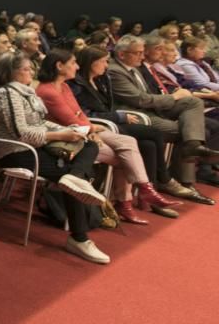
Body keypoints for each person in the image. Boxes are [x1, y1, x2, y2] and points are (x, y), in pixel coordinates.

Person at [0, 54, 112, 264]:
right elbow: (21, 133)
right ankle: (79, 238)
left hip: (36, 147)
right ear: (11, 72)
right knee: (69, 175)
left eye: (31, 69)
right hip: (17, 152)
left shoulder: (25, 93)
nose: (31, 72)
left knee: (88, 145)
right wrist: (61, 135)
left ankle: (76, 179)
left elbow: (41, 123)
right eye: (26, 69)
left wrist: (72, 130)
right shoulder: (6, 94)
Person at [36, 49, 178, 224]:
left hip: (83, 131)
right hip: (66, 138)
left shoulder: (64, 86)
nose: (77, 66)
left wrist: (91, 129)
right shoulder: (48, 91)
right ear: (59, 66)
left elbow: (79, 114)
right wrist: (91, 129)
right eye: (73, 63)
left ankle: (143, 189)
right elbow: (69, 119)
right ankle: (127, 202)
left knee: (129, 141)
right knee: (124, 157)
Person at [71, 46, 190, 214]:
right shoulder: (76, 84)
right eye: (104, 61)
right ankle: (160, 182)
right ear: (91, 63)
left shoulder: (102, 79)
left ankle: (146, 196)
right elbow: (84, 114)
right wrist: (119, 116)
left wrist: (118, 116)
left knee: (148, 144)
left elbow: (107, 107)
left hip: (110, 122)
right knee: (153, 133)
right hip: (100, 124)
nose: (107, 65)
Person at [108, 35, 219, 200]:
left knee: (192, 102)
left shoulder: (134, 67)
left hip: (153, 108)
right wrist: (173, 98)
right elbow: (140, 100)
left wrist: (176, 97)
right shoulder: (116, 71)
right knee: (187, 131)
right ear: (122, 54)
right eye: (137, 53)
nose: (142, 55)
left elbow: (150, 96)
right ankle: (181, 181)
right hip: (137, 115)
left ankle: (193, 146)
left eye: (141, 52)